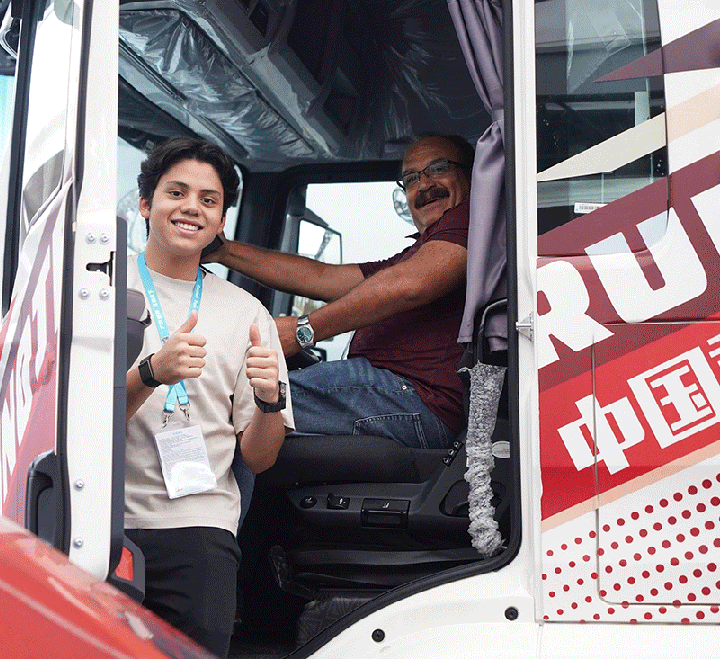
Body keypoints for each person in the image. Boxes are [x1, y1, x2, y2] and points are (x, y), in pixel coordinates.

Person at [124, 136, 294, 658]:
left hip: (201, 530)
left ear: (221, 223)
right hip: (101, 518)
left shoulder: (247, 312)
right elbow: (72, 420)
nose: (191, 208)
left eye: (208, 200)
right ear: (146, 203)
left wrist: (268, 402)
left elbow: (259, 458)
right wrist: (151, 373)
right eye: (176, 193)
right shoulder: (97, 288)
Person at [203, 134, 472, 456]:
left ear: (472, 175)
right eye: (411, 178)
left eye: (438, 168)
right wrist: (225, 252)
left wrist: (302, 332)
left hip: (414, 398)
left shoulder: (470, 220)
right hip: (394, 395)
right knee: (240, 402)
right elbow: (323, 278)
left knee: (228, 400)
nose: (424, 184)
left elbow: (411, 284)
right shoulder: (422, 251)